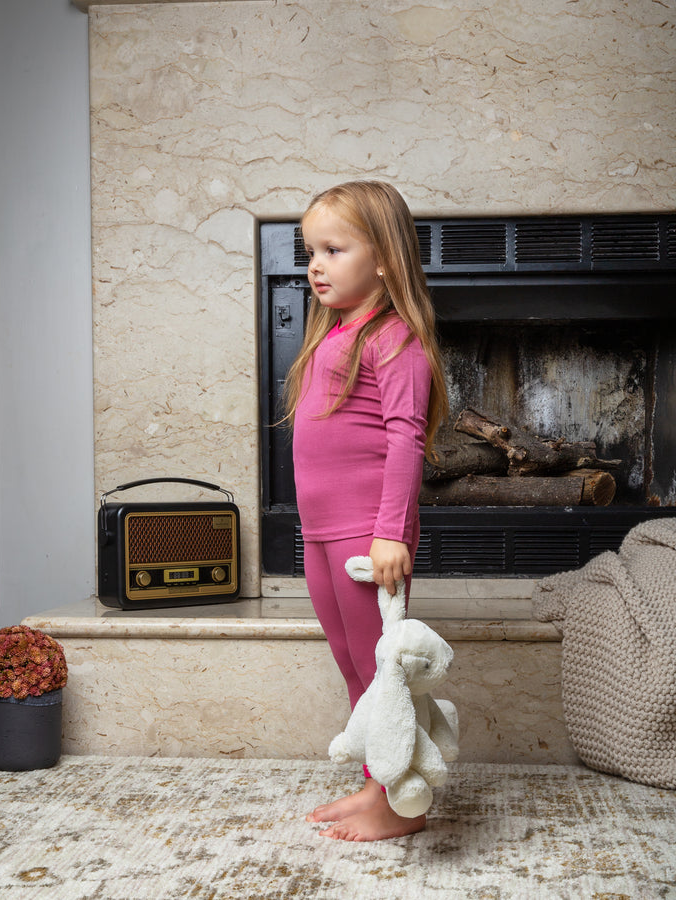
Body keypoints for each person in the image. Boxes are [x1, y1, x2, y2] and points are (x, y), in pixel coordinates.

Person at [282, 181, 449, 841]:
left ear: (382, 257)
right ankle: (378, 786)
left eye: (333, 248)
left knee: (383, 670)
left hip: (366, 535)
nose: (315, 264)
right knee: (354, 665)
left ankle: (401, 807)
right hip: (323, 531)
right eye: (310, 251)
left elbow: (406, 439)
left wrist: (389, 535)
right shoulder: (335, 335)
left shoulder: (395, 339)